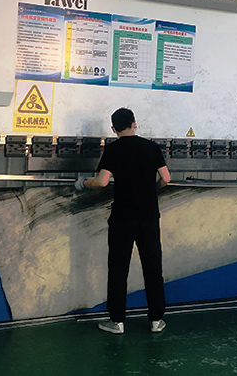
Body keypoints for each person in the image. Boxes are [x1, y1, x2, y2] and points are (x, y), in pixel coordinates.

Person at [76, 108, 171, 334]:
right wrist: (152, 190)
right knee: (152, 267)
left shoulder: (113, 149)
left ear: (114, 129)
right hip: (148, 217)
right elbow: (166, 178)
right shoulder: (151, 147)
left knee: (118, 268)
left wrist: (83, 183)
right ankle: (156, 319)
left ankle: (117, 321)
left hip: (122, 218)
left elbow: (102, 181)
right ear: (134, 123)